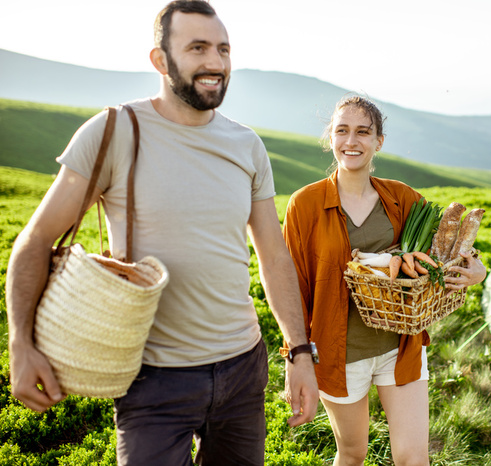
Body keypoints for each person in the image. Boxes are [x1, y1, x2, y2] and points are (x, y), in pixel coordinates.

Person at [5, 1, 318, 464]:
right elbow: (34, 241)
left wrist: (299, 352)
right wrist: (20, 344)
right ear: (160, 60)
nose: (215, 62)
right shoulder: (112, 131)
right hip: (152, 378)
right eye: (197, 48)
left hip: (242, 367)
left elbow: (273, 255)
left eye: (223, 49)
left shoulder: (247, 145)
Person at [282, 95, 487, 466]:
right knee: (353, 453)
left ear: (379, 141)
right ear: (331, 137)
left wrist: (477, 268)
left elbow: (445, 248)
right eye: (342, 131)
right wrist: (295, 356)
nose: (351, 141)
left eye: (363, 132)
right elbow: (291, 284)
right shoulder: (305, 204)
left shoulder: (401, 198)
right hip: (338, 353)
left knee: (413, 458)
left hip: (400, 347)